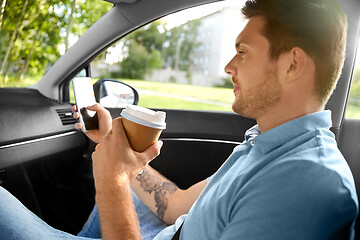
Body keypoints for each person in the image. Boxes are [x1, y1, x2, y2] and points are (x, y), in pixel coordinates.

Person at [0, 0, 358, 239]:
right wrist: (118, 152)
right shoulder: (265, 146)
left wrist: (111, 179)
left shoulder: (309, 186)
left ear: (292, 65)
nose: (228, 67)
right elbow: (175, 206)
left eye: (242, 52)